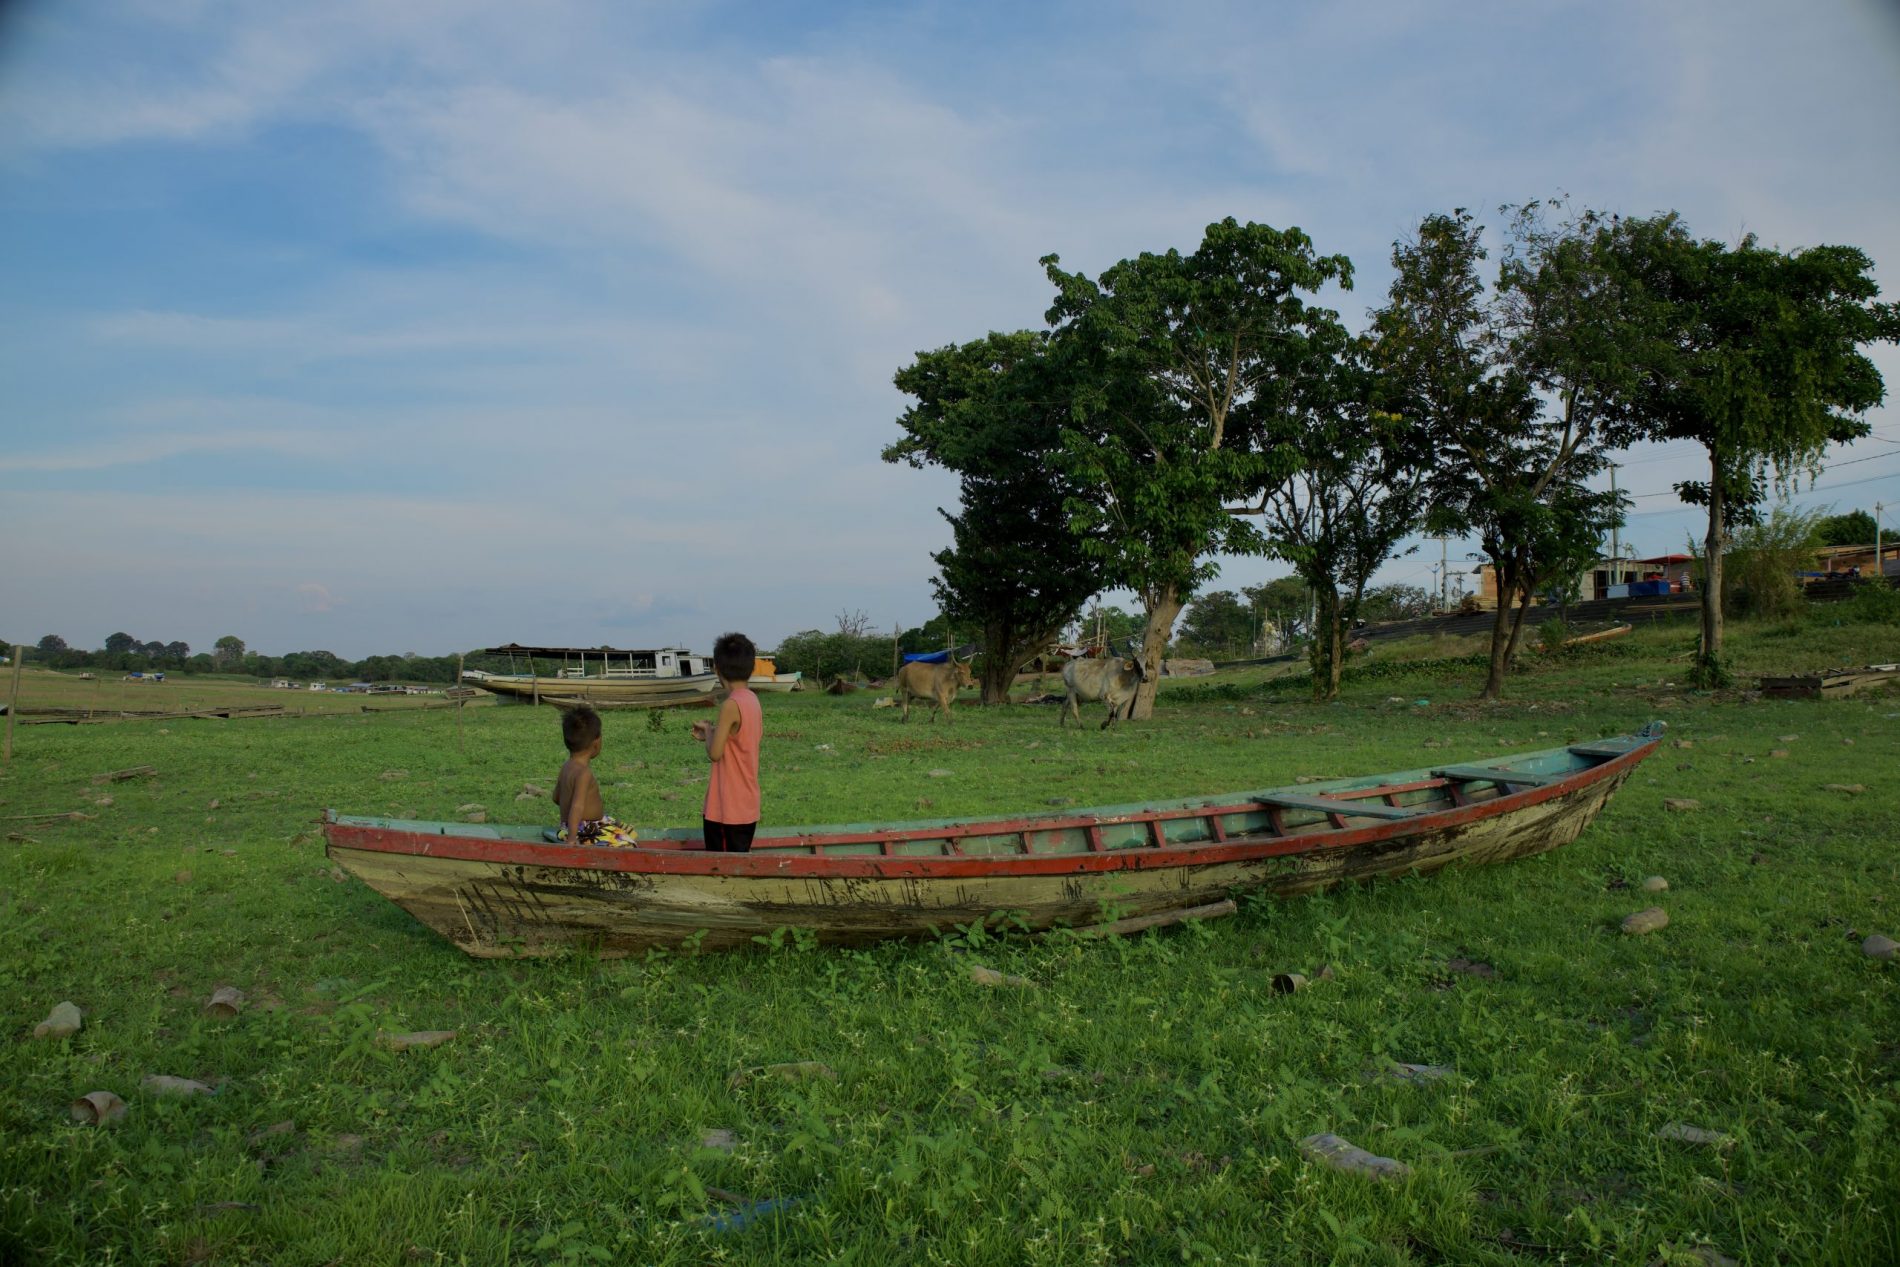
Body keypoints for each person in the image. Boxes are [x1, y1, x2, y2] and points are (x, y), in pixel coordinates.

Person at [690, 631, 762, 852]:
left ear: (717, 670)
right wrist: (711, 732)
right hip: (746, 805)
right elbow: (735, 742)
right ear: (751, 668)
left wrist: (708, 731)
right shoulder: (752, 700)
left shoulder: (730, 705)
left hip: (726, 808)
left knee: (722, 870)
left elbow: (715, 753)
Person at [550, 704, 638, 847]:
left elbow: (556, 798)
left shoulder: (566, 767)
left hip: (569, 827)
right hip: (584, 830)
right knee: (627, 844)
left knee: (628, 830)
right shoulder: (583, 773)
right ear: (596, 743)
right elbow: (577, 807)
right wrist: (572, 838)